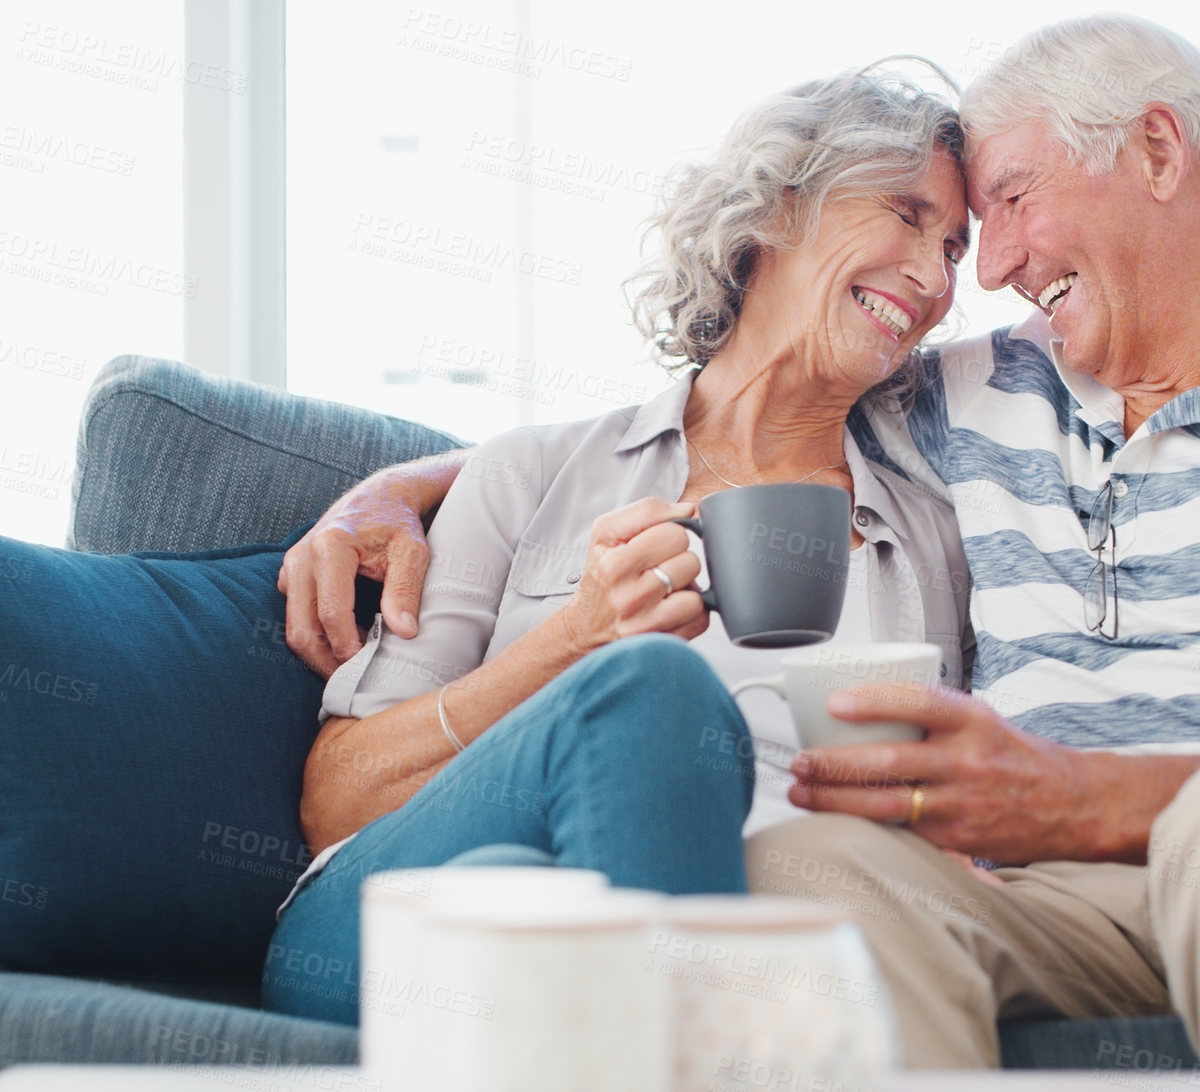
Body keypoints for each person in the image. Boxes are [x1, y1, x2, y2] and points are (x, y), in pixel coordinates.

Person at [281, 16, 1200, 1071]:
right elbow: (733, 401)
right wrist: (382, 492)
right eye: (936, 223)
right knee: (809, 865)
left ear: (1157, 149)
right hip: (1082, 897)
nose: (984, 266)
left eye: (992, 212)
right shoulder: (989, 393)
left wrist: (1061, 797)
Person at [261, 64, 974, 1026]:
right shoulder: (531, 475)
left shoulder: (929, 539)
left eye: (956, 250)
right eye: (905, 214)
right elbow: (336, 806)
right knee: (646, 693)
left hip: (698, 932)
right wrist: (576, 643)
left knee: (525, 906)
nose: (934, 280)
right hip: (388, 918)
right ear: (777, 207)